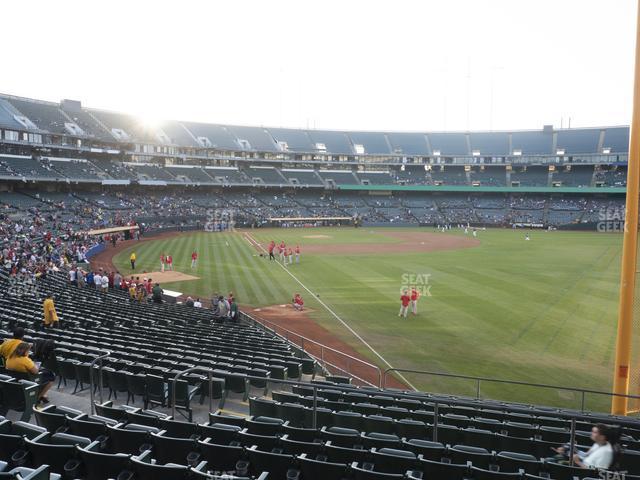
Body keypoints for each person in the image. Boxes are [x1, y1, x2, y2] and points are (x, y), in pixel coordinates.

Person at [550, 423, 618, 470]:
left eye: (595, 432)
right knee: (559, 455)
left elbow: (597, 472)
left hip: (582, 472)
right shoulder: (598, 444)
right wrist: (569, 450)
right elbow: (586, 455)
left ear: (602, 437)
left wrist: (577, 462)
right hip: (581, 463)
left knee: (557, 463)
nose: (592, 434)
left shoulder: (606, 452)